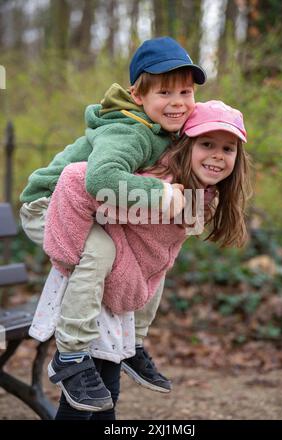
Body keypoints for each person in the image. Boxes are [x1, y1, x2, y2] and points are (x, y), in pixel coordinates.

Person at [30, 100, 252, 419]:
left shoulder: (204, 195)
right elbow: (89, 191)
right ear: (186, 144)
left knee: (105, 389)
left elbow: (160, 253)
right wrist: (80, 257)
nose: (217, 155)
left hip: (121, 286)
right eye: (207, 144)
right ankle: (71, 357)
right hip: (93, 280)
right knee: (90, 392)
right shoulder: (152, 180)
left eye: (228, 149)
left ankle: (132, 346)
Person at [20, 36, 207, 410]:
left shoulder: (166, 129)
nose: (177, 102)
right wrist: (164, 197)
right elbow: (100, 180)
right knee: (101, 250)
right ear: (138, 95)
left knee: (154, 253)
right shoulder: (129, 130)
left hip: (88, 209)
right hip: (48, 205)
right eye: (164, 92)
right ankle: (70, 354)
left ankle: (134, 342)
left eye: (185, 91)